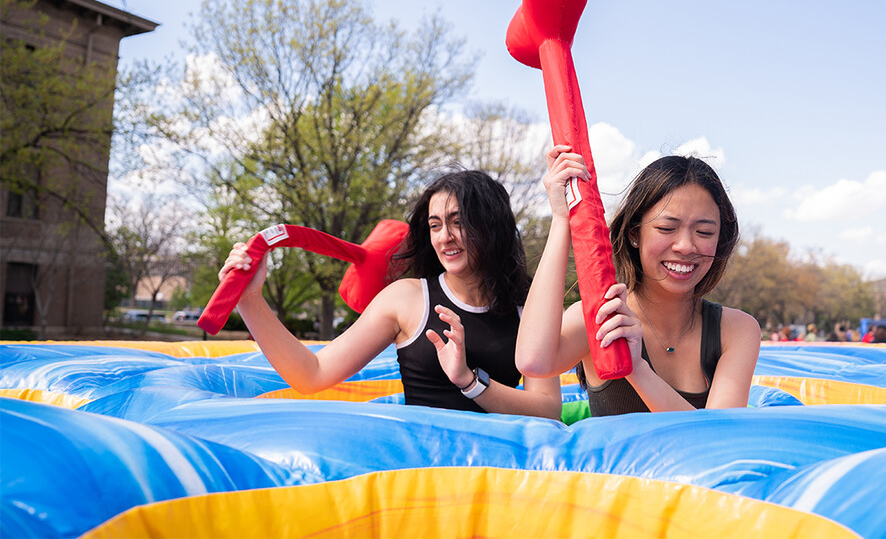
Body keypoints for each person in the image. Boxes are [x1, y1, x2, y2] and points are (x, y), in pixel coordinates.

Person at [218, 170, 561, 419]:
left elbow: (546, 410)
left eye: (458, 222)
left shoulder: (526, 311)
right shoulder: (406, 299)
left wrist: (469, 382)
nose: (445, 238)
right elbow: (312, 374)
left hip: (499, 473)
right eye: (435, 225)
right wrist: (250, 301)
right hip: (421, 470)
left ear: (492, 226)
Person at [515, 148, 761, 415]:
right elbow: (532, 362)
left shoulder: (737, 330)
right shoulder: (601, 318)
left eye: (704, 232)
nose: (686, 246)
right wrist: (562, 219)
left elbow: (718, 435)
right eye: (667, 228)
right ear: (634, 234)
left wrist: (637, 369)